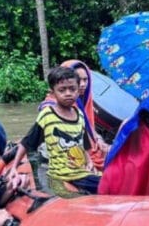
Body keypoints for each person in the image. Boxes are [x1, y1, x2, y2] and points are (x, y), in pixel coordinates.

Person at [8, 66, 101, 197]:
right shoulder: (47, 115)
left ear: (78, 90)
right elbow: (27, 142)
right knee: (106, 184)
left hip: (80, 170)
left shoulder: (79, 114)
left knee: (111, 178)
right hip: (64, 173)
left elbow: (82, 142)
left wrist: (89, 161)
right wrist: (13, 168)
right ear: (53, 92)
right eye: (62, 90)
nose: (68, 93)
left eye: (72, 89)